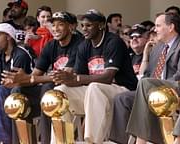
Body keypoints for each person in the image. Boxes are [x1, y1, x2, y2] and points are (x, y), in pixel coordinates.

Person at [48, 9, 137, 144]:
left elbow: (107, 77)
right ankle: (61, 140)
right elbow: (78, 76)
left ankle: (92, 141)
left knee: (94, 87)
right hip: (95, 94)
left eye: (89, 25)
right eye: (82, 25)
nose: (84, 29)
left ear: (101, 25)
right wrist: (65, 79)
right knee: (60, 92)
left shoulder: (113, 42)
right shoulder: (84, 45)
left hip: (122, 89)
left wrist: (76, 79)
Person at [0, 11, 84, 144]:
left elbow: (63, 76)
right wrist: (19, 80)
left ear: (71, 27)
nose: (55, 29)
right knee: (17, 93)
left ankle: (46, 140)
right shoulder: (51, 45)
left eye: (60, 25)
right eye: (53, 25)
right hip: (53, 93)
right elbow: (35, 74)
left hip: (72, 91)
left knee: (48, 89)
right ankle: (21, 141)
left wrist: (29, 79)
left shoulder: (79, 43)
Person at [109, 12, 180, 144]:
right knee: (122, 98)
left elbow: (179, 77)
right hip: (154, 89)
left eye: (158, 26)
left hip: (175, 88)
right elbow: (147, 75)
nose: (154, 29)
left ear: (171, 27)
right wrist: (146, 55)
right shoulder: (158, 48)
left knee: (146, 84)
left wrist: (155, 86)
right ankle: (121, 141)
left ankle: (140, 140)